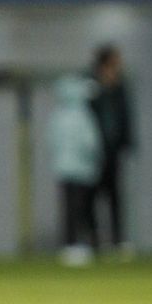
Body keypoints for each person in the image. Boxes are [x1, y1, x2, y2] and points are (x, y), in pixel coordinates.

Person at [48, 73, 105, 266]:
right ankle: (83, 244)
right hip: (82, 170)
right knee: (83, 209)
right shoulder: (83, 115)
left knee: (68, 209)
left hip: (63, 169)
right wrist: (95, 160)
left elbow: (51, 141)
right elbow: (91, 143)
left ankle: (69, 244)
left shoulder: (58, 115)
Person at [89, 44, 137, 260]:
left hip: (113, 150)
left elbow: (126, 116)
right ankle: (94, 241)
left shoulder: (120, 85)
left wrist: (127, 141)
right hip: (92, 152)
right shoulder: (90, 83)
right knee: (91, 197)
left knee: (115, 197)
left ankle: (118, 241)